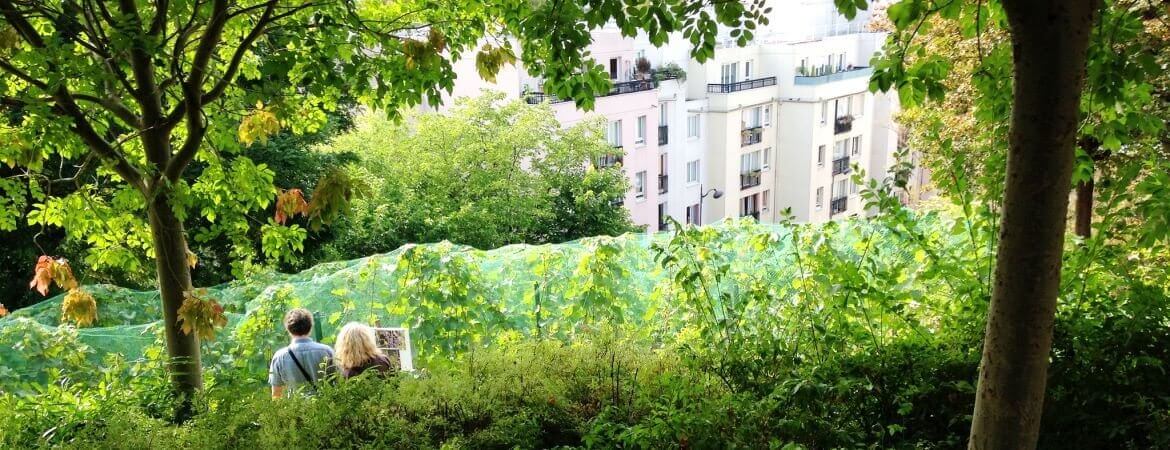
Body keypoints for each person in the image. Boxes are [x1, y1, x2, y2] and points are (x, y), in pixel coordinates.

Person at [269, 308, 334, 398]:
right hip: (325, 408)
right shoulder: (326, 351)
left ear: (288, 329)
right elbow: (338, 382)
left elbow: (276, 395)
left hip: (296, 409)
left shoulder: (279, 357)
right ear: (311, 326)